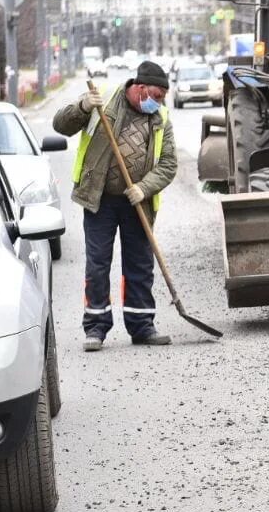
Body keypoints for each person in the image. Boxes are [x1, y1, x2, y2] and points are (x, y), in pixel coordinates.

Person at [53, 60, 177, 352]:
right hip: (99, 199)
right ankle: (96, 328)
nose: (158, 103)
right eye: (156, 97)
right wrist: (82, 106)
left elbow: (169, 164)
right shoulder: (104, 100)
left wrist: (143, 188)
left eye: (162, 98)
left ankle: (142, 326)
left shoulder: (160, 117)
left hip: (137, 203)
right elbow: (61, 125)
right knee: (98, 265)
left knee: (140, 265)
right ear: (140, 88)